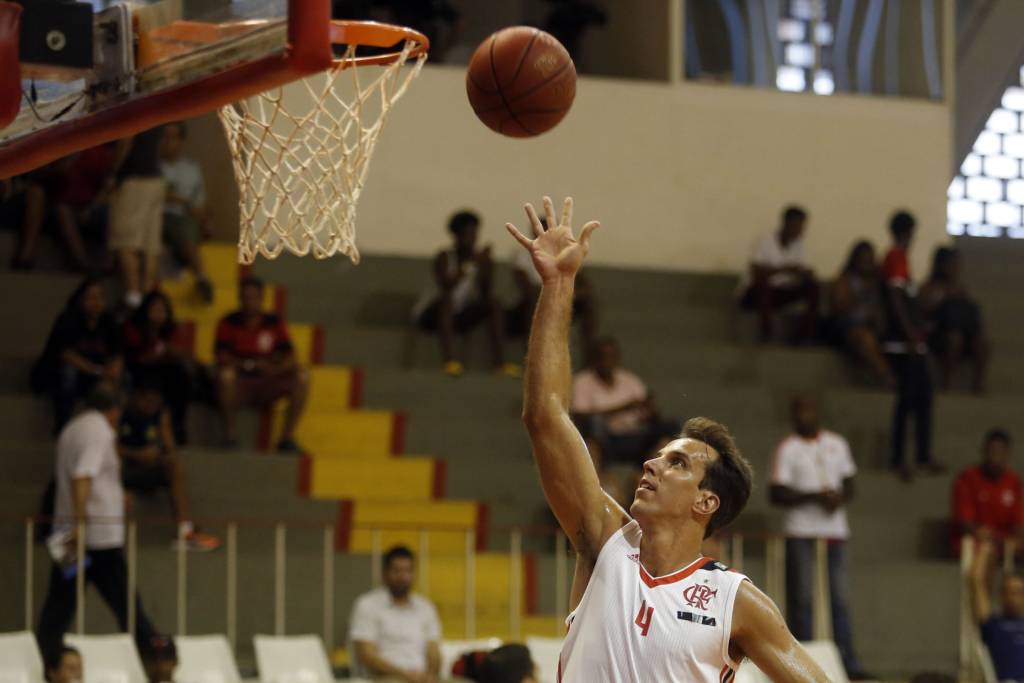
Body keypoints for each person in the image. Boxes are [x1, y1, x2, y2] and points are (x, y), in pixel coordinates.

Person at [506, 196, 827, 680]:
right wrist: (558, 284)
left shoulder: (733, 600)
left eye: (677, 463)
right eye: (657, 457)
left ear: (706, 502)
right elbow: (545, 417)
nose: (651, 465)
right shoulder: (605, 540)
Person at [36, 383, 160, 661]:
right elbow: (83, 476)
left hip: (67, 533)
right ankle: (154, 658)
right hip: (96, 538)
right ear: (114, 410)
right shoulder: (100, 431)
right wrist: (81, 524)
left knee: (59, 604)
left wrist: (117, 495)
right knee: (126, 604)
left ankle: (45, 659)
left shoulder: (73, 428)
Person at [769, 395, 869, 679]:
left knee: (839, 599)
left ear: (818, 412)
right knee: (801, 599)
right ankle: (804, 662)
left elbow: (850, 483)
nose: (804, 415)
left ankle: (848, 661)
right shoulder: (787, 448)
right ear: (792, 415)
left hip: (835, 531)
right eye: (799, 410)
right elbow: (776, 492)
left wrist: (839, 497)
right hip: (800, 530)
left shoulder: (837, 443)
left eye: (808, 409)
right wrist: (816, 496)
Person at [412, 210, 520, 377]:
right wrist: (470, 264)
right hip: (432, 314)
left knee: (495, 303)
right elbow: (446, 287)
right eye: (467, 234)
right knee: (446, 302)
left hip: (460, 313)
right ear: (456, 236)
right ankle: (449, 361)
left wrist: (486, 267)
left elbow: (485, 293)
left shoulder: (479, 260)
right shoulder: (445, 256)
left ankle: (500, 364)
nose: (472, 238)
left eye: (474, 233)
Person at [120, 375, 220, 551]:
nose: (152, 407)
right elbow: (107, 449)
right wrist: (135, 454)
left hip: (146, 470)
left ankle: (184, 531)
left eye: (156, 403)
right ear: (137, 397)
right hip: (120, 471)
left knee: (173, 465)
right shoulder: (121, 412)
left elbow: (169, 448)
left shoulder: (160, 413)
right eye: (149, 402)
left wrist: (160, 453)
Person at [881, 210, 942, 481]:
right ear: (908, 232)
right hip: (902, 343)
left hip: (909, 340)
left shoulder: (901, 258)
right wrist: (910, 336)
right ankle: (902, 459)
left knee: (921, 397)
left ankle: (919, 456)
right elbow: (895, 299)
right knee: (908, 401)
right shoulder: (895, 257)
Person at [214, 277, 308, 451]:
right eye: (245, 297)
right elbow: (222, 357)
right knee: (225, 376)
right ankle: (230, 435)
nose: (249, 302)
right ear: (240, 298)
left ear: (261, 298)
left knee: (302, 376)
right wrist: (250, 365)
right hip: (241, 381)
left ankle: (287, 438)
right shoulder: (228, 322)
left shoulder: (274, 322)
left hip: (269, 380)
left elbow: (290, 355)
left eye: (253, 297)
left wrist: (274, 369)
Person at [31, 277, 123, 433]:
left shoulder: (109, 321)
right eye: (91, 297)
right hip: (64, 371)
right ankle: (63, 423)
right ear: (80, 299)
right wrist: (96, 370)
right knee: (68, 373)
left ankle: (117, 427)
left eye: (100, 297)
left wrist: (113, 371)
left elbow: (117, 353)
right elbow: (65, 354)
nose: (96, 302)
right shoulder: (68, 320)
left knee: (124, 377)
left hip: (96, 372)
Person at [571, 337, 679, 468]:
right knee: (595, 422)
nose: (606, 361)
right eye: (602, 356)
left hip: (633, 435)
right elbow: (579, 416)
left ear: (617, 358)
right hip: (606, 439)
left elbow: (648, 414)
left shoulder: (630, 380)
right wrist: (623, 408)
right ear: (593, 358)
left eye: (611, 356)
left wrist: (651, 411)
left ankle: (654, 473)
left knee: (671, 425)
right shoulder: (582, 381)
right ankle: (600, 469)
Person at [349, 545, 443, 682]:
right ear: (385, 573)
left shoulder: (426, 607)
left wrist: (430, 674)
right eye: (397, 571)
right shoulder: (367, 605)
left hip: (423, 677)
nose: (402, 577)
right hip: (386, 677)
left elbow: (434, 651)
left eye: (407, 571)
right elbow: (366, 655)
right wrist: (405, 675)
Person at [508, 216, 597, 348]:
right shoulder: (522, 254)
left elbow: (585, 286)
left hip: (563, 297)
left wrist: (563, 293)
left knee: (589, 304)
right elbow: (527, 287)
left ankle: (589, 354)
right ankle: (532, 351)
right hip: (534, 300)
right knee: (534, 301)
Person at [738, 205, 819, 344]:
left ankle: (806, 333)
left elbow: (801, 270)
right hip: (755, 294)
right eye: (798, 225)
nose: (801, 229)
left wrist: (804, 273)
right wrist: (786, 269)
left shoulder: (799, 245)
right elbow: (756, 271)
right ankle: (766, 330)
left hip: (780, 293)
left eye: (802, 226)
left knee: (813, 287)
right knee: (764, 285)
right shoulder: (765, 241)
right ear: (787, 223)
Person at [124, 290, 192, 444]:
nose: (159, 314)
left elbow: (182, 354)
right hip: (138, 371)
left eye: (162, 310)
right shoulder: (134, 328)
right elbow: (136, 357)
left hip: (164, 373)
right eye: (155, 309)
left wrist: (170, 352)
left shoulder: (171, 331)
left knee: (180, 376)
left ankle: (178, 426)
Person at [109, 127, 166, 309]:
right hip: (156, 179)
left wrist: (114, 171)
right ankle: (147, 299)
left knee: (126, 242)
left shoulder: (132, 100)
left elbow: (127, 136)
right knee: (149, 245)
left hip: (135, 178)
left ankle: (134, 298)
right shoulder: (156, 103)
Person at [919, 246, 989, 393]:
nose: (955, 268)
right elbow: (923, 311)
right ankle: (947, 381)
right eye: (952, 264)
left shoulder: (959, 288)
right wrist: (942, 298)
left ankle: (978, 383)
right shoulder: (928, 286)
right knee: (954, 339)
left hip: (963, 331)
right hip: (938, 332)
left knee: (981, 342)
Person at [829, 240, 894, 388]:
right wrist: (860, 294)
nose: (867, 263)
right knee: (865, 339)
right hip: (847, 327)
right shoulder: (844, 280)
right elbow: (839, 307)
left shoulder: (877, 284)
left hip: (871, 327)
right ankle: (887, 378)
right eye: (864, 259)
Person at [160, 121, 213, 302]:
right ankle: (201, 275)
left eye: (173, 138)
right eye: (164, 138)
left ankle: (202, 279)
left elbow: (199, 203)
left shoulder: (192, 169)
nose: (168, 143)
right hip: (158, 216)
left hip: (184, 218)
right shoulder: (152, 167)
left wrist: (204, 221)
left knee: (188, 229)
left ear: (181, 141)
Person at [952, 429, 1023, 555]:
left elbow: (1019, 522)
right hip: (977, 541)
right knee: (978, 546)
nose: (995, 457)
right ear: (983, 452)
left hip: (1004, 543)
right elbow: (965, 522)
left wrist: (1015, 539)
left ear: (1007, 454)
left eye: (1000, 452)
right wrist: (984, 534)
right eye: (992, 452)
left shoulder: (1014, 482)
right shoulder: (967, 478)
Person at [968, 538, 1024, 681]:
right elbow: (976, 581)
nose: (1013, 598)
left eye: (1018, 592)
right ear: (1002, 596)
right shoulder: (993, 625)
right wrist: (985, 548)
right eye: (1009, 592)